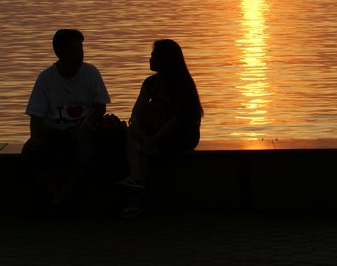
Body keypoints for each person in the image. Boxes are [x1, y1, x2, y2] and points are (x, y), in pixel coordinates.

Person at [23, 28, 112, 211]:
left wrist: (85, 126)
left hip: (82, 129)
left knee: (85, 155)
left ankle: (58, 201)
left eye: (81, 49)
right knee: (29, 155)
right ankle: (60, 197)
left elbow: (100, 106)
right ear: (60, 53)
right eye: (74, 50)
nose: (79, 54)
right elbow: (36, 113)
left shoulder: (90, 72)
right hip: (53, 130)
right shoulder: (46, 78)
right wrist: (35, 137)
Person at [118, 39, 203, 214]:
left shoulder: (182, 84)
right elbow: (137, 109)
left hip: (181, 135)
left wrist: (152, 140)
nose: (150, 59)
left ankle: (136, 198)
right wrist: (136, 125)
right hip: (155, 131)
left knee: (146, 149)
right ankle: (136, 180)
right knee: (135, 139)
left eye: (153, 56)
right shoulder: (151, 83)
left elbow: (178, 120)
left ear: (165, 59)